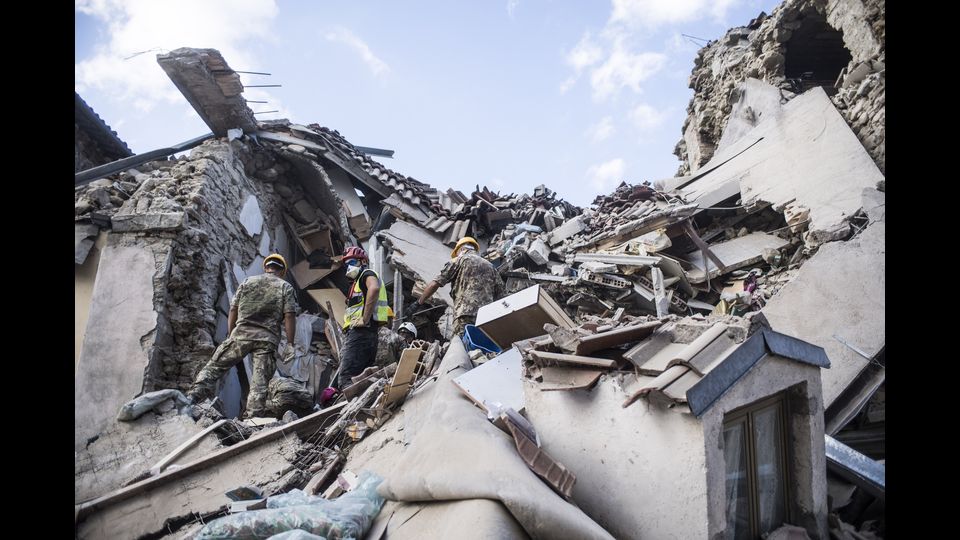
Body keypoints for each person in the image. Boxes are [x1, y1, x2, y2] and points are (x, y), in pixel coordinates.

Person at [187, 254, 298, 418]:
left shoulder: (247, 282)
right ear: (282, 271)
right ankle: (253, 419)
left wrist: (232, 334)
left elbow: (233, 309)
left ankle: (191, 398)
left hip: (241, 334)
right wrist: (290, 343)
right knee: (259, 385)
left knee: (214, 367)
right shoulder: (285, 287)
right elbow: (289, 315)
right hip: (266, 341)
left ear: (266, 267)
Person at [414, 236, 504, 337]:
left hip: (465, 314)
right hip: (486, 317)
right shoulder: (491, 267)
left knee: (462, 343)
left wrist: (419, 302)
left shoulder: (458, 260)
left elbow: (435, 284)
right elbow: (501, 296)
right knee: (480, 344)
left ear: (461, 249)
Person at [337, 246, 390, 388]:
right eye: (347, 264)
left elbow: (374, 288)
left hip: (361, 333)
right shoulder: (357, 283)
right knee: (361, 378)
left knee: (346, 379)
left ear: (363, 262)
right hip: (368, 335)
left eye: (352, 262)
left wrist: (364, 319)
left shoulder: (366, 274)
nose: (349, 267)